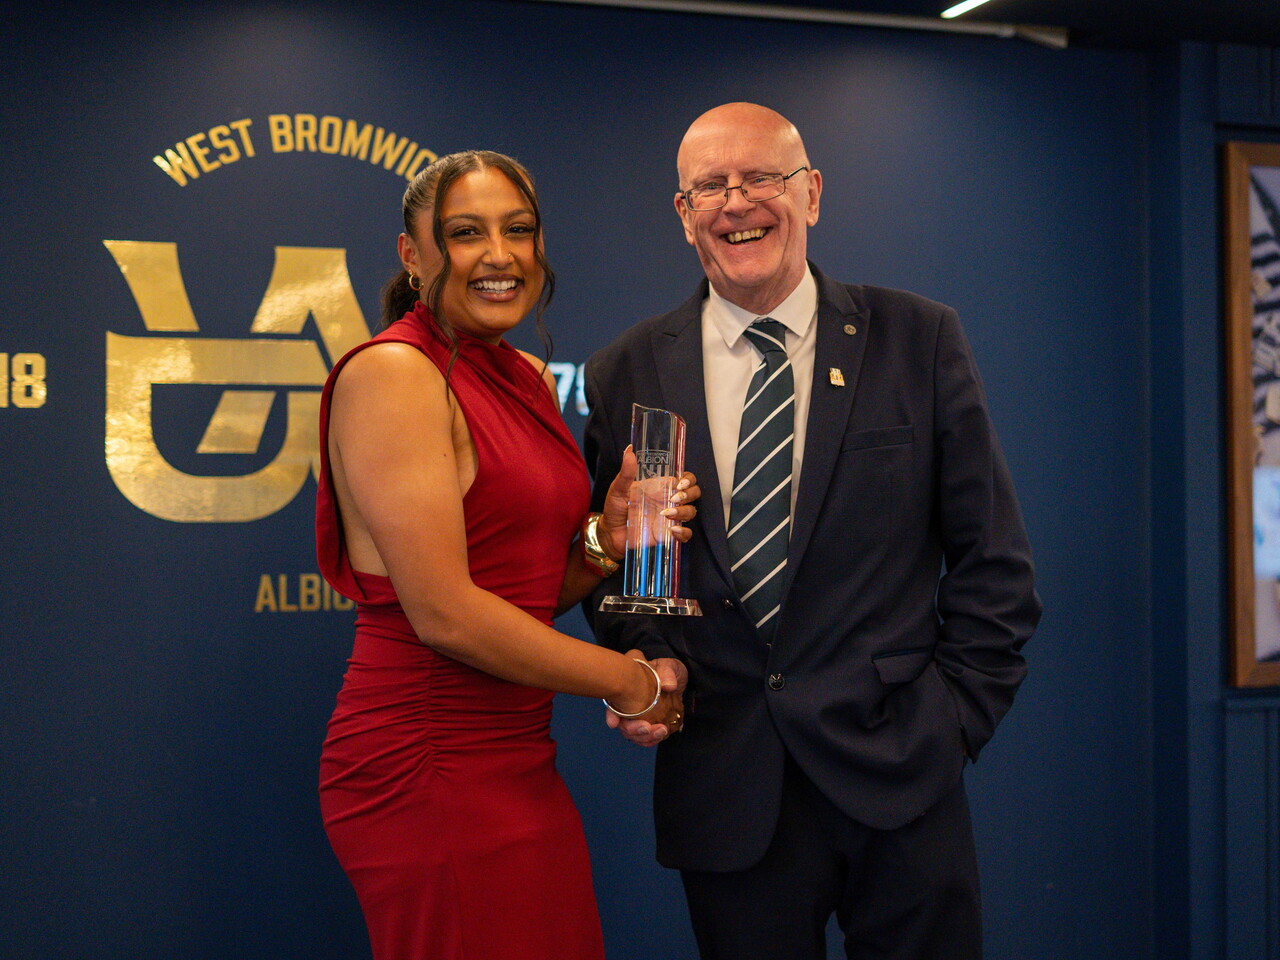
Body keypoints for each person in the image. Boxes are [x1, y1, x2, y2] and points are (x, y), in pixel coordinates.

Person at [583, 103, 1042, 960]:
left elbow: (996, 566)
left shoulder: (917, 339)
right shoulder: (627, 369)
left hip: (901, 778)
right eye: (708, 187)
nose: (735, 202)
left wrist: (949, 728)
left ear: (813, 194)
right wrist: (644, 660)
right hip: (725, 785)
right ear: (683, 217)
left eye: (760, 177)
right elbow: (619, 570)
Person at [315, 149, 696, 960]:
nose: (500, 255)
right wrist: (632, 681)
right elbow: (446, 615)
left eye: (518, 230)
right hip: (423, 762)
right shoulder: (394, 374)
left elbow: (513, 590)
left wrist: (602, 542)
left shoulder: (522, 372)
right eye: (465, 233)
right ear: (413, 257)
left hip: (516, 760)